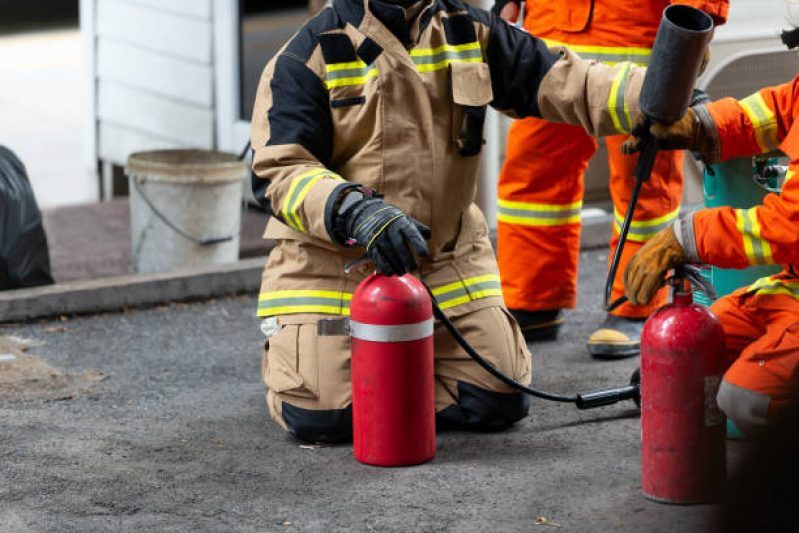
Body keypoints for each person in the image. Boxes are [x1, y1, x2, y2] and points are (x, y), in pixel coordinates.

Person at [251, 0, 648, 443]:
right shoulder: (306, 54)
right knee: (324, 416)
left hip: (444, 262)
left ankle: (399, 376)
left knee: (498, 397)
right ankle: (352, 368)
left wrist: (663, 97)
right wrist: (352, 209)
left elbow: (569, 80)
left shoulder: (468, 29)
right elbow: (279, 172)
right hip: (337, 270)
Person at [491, 0, 727, 359]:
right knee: (533, 177)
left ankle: (638, 303)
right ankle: (532, 297)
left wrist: (701, 14)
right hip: (549, 35)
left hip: (639, 34)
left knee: (644, 181)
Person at [622, 0, 799, 436]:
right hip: (791, 286)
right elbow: (774, 111)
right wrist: (700, 126)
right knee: (688, 356)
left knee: (747, 397)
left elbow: (788, 226)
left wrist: (684, 237)